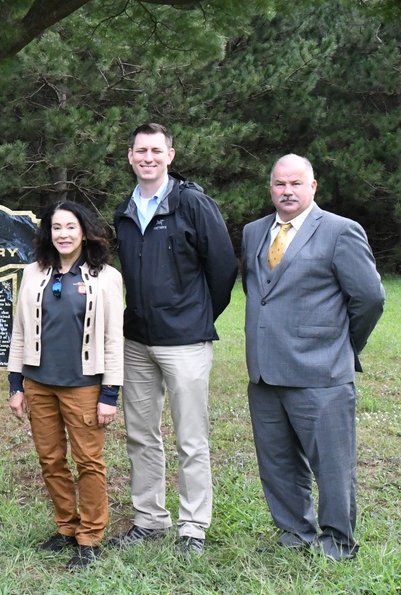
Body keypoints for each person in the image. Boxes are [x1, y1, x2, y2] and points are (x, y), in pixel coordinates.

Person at [241, 154, 384, 561]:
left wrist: (342, 343)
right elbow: (260, 294)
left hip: (321, 373)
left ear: (313, 187)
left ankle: (338, 543)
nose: (287, 191)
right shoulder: (254, 232)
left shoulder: (340, 231)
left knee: (333, 468)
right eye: (279, 184)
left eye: (296, 184)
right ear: (270, 187)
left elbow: (369, 298)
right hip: (265, 374)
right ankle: (295, 535)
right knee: (278, 464)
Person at [111, 123, 237, 555]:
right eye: (140, 150)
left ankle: (193, 527)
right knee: (141, 434)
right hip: (138, 340)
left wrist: (197, 315)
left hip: (185, 340)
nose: (148, 157)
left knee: (190, 437)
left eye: (156, 150)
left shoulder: (192, 203)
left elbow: (223, 268)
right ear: (130, 156)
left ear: (171, 155)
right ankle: (149, 519)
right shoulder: (124, 211)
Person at [7, 201, 124, 570]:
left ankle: (90, 536)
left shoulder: (105, 277)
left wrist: (110, 393)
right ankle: (66, 527)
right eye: (56, 227)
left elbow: (113, 339)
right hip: (39, 383)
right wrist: (16, 384)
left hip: (84, 386)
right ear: (48, 232)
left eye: (70, 227)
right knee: (51, 459)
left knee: (88, 461)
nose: (63, 234)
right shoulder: (33, 273)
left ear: (84, 231)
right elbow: (20, 331)